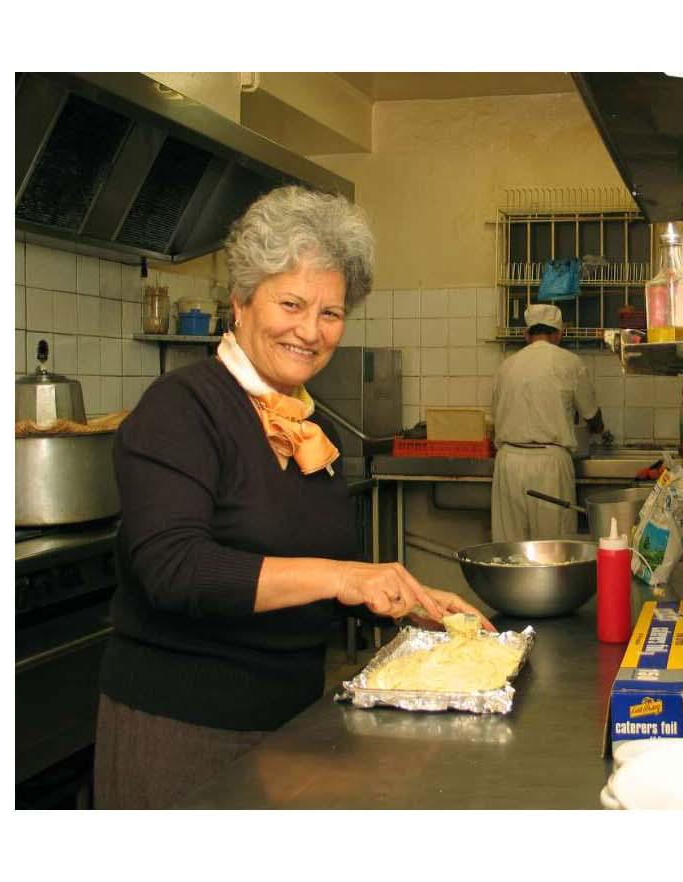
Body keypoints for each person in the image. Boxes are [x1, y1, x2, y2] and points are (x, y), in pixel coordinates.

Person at [94, 185, 491, 809]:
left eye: (330, 312)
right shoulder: (181, 407)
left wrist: (395, 600)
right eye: (291, 303)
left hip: (293, 728)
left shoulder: (313, 429)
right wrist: (342, 578)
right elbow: (173, 570)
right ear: (241, 301)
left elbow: (305, 572)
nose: (310, 331)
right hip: (183, 731)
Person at [489, 304, 609, 543]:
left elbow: (495, 414)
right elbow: (591, 415)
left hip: (508, 463)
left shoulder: (506, 366)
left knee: (509, 550)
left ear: (526, 334)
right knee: (553, 549)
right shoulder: (569, 362)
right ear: (559, 334)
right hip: (549, 466)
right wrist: (599, 430)